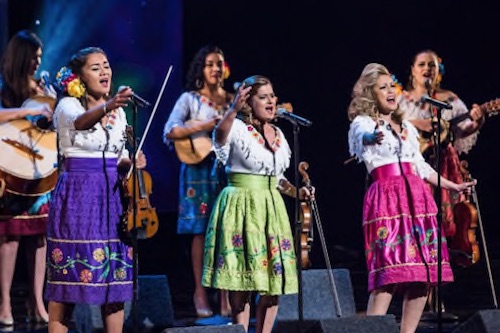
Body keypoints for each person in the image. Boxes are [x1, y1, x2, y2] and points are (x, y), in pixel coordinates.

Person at [347, 63, 475, 333]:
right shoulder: (364, 123)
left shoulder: (406, 125)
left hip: (417, 198)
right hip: (387, 200)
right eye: (382, 88)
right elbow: (362, 139)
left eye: (391, 86)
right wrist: (373, 135)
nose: (390, 92)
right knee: (388, 273)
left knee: (422, 275)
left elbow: (420, 166)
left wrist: (453, 185)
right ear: (371, 94)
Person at [45, 47, 146, 333]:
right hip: (78, 196)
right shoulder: (68, 106)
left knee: (114, 281)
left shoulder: (119, 116)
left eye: (106, 65)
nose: (104, 72)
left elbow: (118, 158)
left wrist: (130, 162)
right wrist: (110, 104)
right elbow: (80, 124)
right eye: (95, 67)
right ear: (79, 77)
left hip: (111, 197)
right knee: (67, 284)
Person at [202, 75, 313, 333]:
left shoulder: (279, 135)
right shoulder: (237, 127)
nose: (271, 101)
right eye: (263, 97)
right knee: (242, 281)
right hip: (241, 204)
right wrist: (232, 110)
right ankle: (240, 329)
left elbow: (279, 180)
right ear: (249, 102)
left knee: (272, 283)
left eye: (272, 96)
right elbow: (219, 139)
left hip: (270, 208)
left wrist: (299, 193)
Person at [398, 49, 487, 316]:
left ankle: (436, 296)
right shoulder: (400, 99)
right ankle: (413, 292)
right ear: (412, 69)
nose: (427, 69)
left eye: (433, 65)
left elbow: (462, 130)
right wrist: (415, 123)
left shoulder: (448, 100)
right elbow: (389, 123)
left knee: (441, 227)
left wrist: (478, 119)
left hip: (443, 168)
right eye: (422, 64)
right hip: (413, 169)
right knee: (415, 226)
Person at [163, 45, 232, 317]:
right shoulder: (190, 100)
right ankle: (200, 292)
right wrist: (204, 126)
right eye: (210, 64)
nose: (216, 69)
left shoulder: (231, 99)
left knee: (227, 230)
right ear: (200, 69)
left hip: (225, 170)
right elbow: (170, 131)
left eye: (219, 63)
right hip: (197, 172)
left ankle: (227, 293)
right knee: (201, 232)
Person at [0, 29, 54, 326]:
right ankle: (5, 303)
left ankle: (37, 302)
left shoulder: (41, 88)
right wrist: (21, 111)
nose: (37, 62)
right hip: (7, 167)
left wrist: (50, 102)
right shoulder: (4, 85)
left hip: (37, 170)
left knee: (39, 236)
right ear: (20, 57)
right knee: (9, 235)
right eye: (33, 57)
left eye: (40, 58)